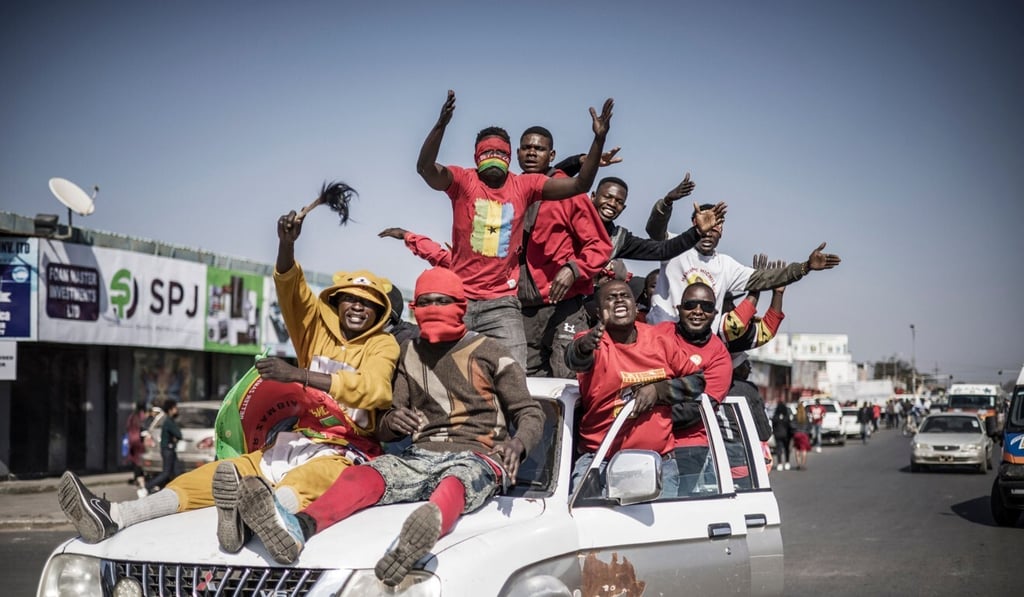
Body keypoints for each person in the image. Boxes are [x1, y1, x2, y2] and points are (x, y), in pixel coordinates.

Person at [58, 204, 401, 548]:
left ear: (380, 311)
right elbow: (291, 291)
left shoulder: (383, 344)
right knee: (213, 476)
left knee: (305, 481)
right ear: (337, 302)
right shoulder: (316, 331)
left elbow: (376, 391)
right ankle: (117, 515)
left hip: (345, 452)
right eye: (351, 299)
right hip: (296, 441)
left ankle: (254, 521)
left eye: (368, 302)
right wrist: (286, 244)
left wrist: (298, 375)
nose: (358, 306)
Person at [235, 267, 544, 587]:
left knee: (455, 483)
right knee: (362, 475)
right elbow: (385, 425)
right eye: (425, 302)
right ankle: (298, 527)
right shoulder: (408, 353)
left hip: (479, 454)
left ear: (461, 306)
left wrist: (517, 444)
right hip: (419, 455)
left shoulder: (490, 352)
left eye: (442, 300)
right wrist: (393, 422)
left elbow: (529, 412)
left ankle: (412, 541)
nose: (434, 308)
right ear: (414, 309)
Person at [415, 89, 614, 366]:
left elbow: (580, 185)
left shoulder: (525, 186)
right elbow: (425, 168)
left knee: (515, 377)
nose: (494, 156)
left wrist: (598, 139)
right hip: (467, 298)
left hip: (512, 305)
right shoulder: (463, 181)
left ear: (510, 156)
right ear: (476, 156)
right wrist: (441, 126)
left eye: (500, 152)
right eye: (488, 152)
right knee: (447, 373)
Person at [565, 280, 706, 491]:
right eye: (611, 298)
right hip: (599, 462)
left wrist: (658, 391)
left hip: (659, 464)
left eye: (625, 295)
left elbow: (698, 381)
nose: (619, 300)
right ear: (597, 311)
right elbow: (575, 358)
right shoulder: (591, 342)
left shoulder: (660, 340)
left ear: (635, 304)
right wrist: (583, 347)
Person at [645, 201, 842, 329]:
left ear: (722, 229)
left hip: (699, 348)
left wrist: (805, 267)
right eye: (703, 224)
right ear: (694, 224)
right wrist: (667, 202)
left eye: (716, 225)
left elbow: (766, 278)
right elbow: (654, 230)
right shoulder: (675, 245)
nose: (709, 231)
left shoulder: (726, 265)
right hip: (662, 340)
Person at [515, 126, 613, 378]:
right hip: (522, 308)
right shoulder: (511, 191)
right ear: (517, 153)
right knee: (525, 387)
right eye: (527, 148)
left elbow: (600, 245)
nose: (532, 153)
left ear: (551, 154)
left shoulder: (568, 192)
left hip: (564, 305)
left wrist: (574, 269)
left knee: (567, 381)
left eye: (539, 148)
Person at [651, 283, 733, 496]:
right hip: (644, 441)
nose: (698, 311)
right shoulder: (658, 334)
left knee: (669, 513)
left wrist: (644, 415)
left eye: (706, 307)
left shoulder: (719, 356)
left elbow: (694, 411)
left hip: (687, 446)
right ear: (679, 308)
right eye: (690, 305)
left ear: (715, 313)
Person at [589, 174, 725, 281]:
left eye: (619, 202)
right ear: (593, 196)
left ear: (623, 208)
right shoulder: (571, 215)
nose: (612, 204)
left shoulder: (618, 239)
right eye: (607, 197)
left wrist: (697, 232)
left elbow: (662, 250)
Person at [143, 399, 181, 494]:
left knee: (175, 472)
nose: (177, 410)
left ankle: (174, 490)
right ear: (171, 409)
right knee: (166, 472)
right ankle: (148, 486)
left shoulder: (169, 420)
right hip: (168, 449)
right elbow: (178, 434)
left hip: (169, 449)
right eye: (175, 408)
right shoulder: (168, 421)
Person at [125, 400, 148, 498]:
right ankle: (140, 477)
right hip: (139, 440)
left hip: (131, 439)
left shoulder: (132, 416)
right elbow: (145, 426)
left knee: (134, 460)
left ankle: (136, 478)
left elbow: (127, 426)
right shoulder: (142, 415)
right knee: (139, 460)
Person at [770, 398, 793, 471]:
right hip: (786, 435)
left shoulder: (775, 417)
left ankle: (779, 463)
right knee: (786, 449)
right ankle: (787, 462)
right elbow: (789, 425)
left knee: (779, 449)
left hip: (778, 434)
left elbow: (773, 426)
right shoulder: (787, 416)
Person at [792, 402, 811, 470]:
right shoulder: (805, 416)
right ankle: (803, 464)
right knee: (803, 450)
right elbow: (809, 426)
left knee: (797, 449)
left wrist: (794, 430)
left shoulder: (795, 416)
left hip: (797, 434)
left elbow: (792, 425)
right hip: (804, 434)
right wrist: (807, 432)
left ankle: (798, 464)